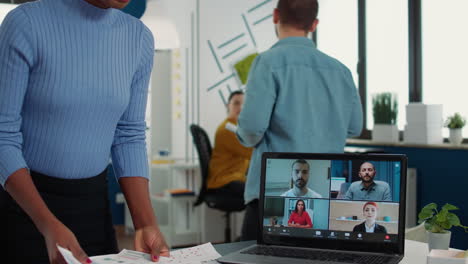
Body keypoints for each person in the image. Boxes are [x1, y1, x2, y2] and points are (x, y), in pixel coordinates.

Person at [0, 0, 169, 263]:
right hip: (25, 209)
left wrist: (145, 223)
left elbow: (129, 134)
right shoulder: (25, 24)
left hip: (93, 210)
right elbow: (2, 135)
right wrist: (46, 224)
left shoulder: (138, 38)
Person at [236, 0, 363, 240]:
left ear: (275, 16)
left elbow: (251, 129)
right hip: (324, 196)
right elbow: (355, 127)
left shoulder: (267, 63)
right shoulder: (341, 70)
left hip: (272, 194)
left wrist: (243, 135)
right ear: (314, 24)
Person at [207, 91, 252, 200]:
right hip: (224, 180)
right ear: (228, 106)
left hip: (233, 177)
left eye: (244, 104)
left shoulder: (238, 128)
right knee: (257, 195)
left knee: (258, 190)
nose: (240, 107)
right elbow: (251, 153)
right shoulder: (228, 129)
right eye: (236, 103)